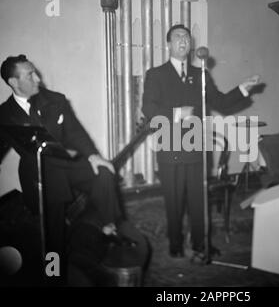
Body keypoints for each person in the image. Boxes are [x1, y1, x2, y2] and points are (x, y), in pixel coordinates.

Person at [0, 55, 137, 284]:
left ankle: (110, 227)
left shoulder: (55, 100)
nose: (37, 78)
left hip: (68, 164)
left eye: (35, 71)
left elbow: (75, 133)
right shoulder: (4, 115)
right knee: (52, 232)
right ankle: (54, 274)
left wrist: (94, 156)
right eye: (29, 75)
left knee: (103, 173)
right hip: (39, 175)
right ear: (14, 82)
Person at [142, 24, 260, 259]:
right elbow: (148, 109)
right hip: (170, 146)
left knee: (199, 200)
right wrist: (176, 113)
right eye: (177, 36)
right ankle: (175, 246)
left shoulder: (201, 75)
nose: (183, 40)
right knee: (173, 201)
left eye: (186, 36)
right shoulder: (156, 74)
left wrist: (242, 90)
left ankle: (199, 244)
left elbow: (222, 102)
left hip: (196, 146)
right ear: (168, 44)